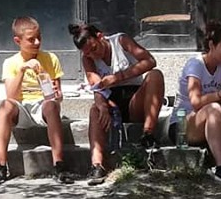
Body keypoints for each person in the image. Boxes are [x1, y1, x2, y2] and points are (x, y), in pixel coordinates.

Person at [69, 21, 165, 183]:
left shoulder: (120, 41)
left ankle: (148, 133)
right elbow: (96, 87)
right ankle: (97, 165)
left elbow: (149, 61)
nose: (93, 55)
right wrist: (102, 106)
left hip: (135, 98)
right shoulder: (88, 59)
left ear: (100, 37)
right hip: (111, 102)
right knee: (94, 110)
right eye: (88, 54)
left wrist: (119, 77)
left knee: (155, 75)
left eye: (94, 49)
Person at [0, 16, 72, 185]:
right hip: (21, 108)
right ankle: (0, 165)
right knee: (4, 106)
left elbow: (58, 96)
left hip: (43, 105)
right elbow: (11, 96)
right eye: (31, 39)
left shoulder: (50, 58)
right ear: (17, 41)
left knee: (51, 106)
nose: (37, 42)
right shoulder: (10, 63)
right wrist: (22, 70)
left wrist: (56, 94)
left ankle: (59, 164)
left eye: (39, 37)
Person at [178, 20, 221, 186]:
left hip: (209, 125)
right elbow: (196, 102)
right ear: (211, 45)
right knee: (214, 108)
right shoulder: (195, 64)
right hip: (183, 125)